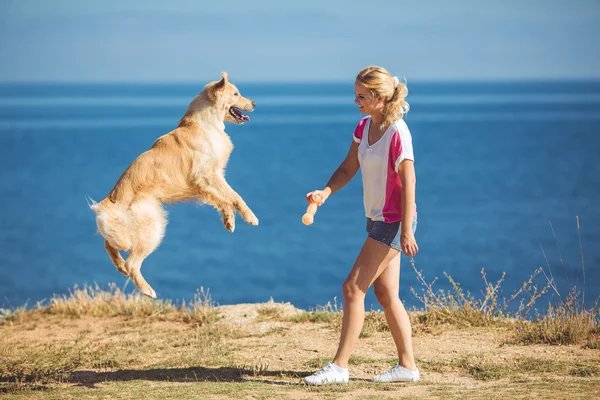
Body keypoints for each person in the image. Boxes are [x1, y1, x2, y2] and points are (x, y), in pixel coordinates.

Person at [304, 66, 419, 385]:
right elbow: (347, 167)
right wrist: (324, 192)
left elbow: (409, 181)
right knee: (385, 294)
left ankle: (339, 367)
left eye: (361, 96)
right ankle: (407, 367)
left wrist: (407, 230)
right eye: (356, 94)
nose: (356, 101)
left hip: (394, 222)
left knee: (352, 288)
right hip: (377, 219)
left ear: (380, 98)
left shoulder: (398, 133)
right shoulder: (364, 126)